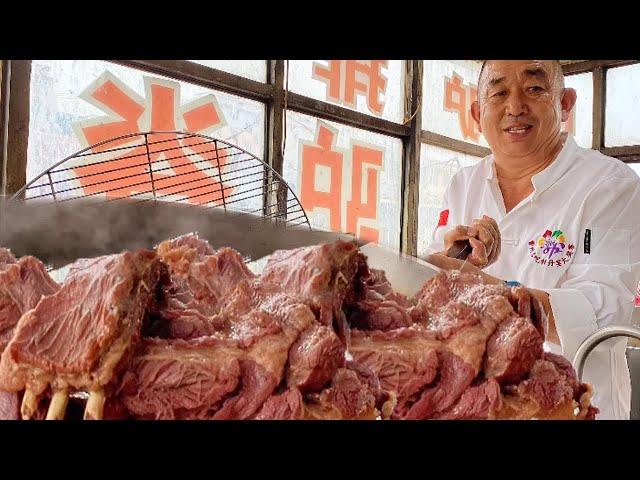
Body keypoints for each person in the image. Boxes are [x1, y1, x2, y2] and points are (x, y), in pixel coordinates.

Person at [424, 60, 640, 420]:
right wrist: (452, 261)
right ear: (478, 113)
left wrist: (476, 287)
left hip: (576, 406)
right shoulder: (463, 184)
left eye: (534, 89)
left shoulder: (611, 185)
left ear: (566, 103)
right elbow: (433, 299)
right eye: (498, 92)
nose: (514, 106)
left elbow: (603, 317)